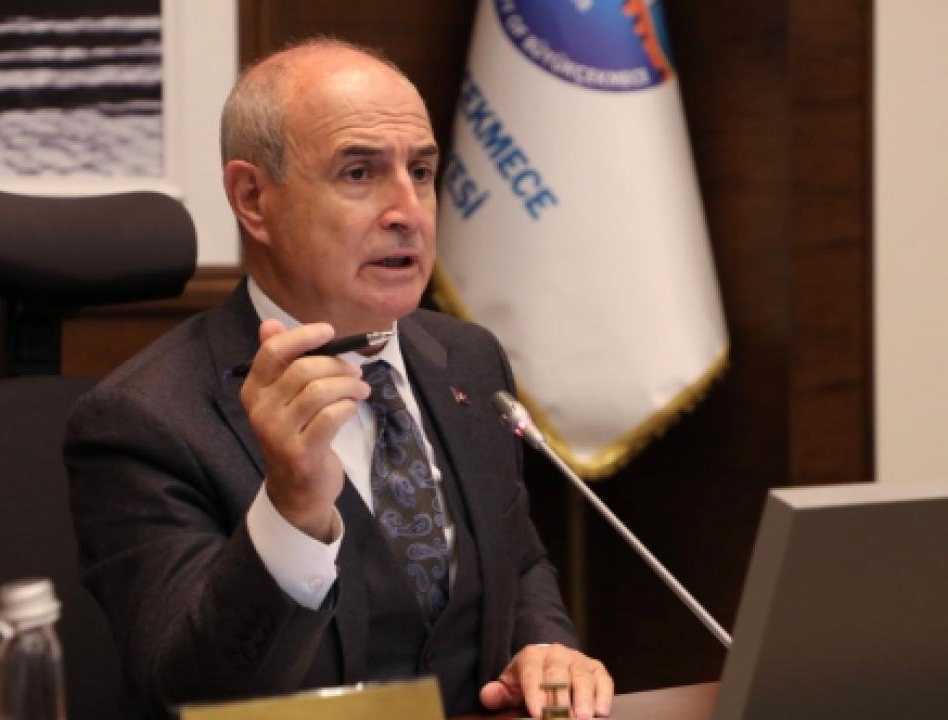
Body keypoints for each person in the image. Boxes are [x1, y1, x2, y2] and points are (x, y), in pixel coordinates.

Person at [64, 38, 614, 719]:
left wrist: (544, 647)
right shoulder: (145, 419)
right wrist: (291, 509)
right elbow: (190, 694)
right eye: (359, 173)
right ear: (253, 199)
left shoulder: (468, 358)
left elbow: (517, 559)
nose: (407, 210)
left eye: (421, 171)